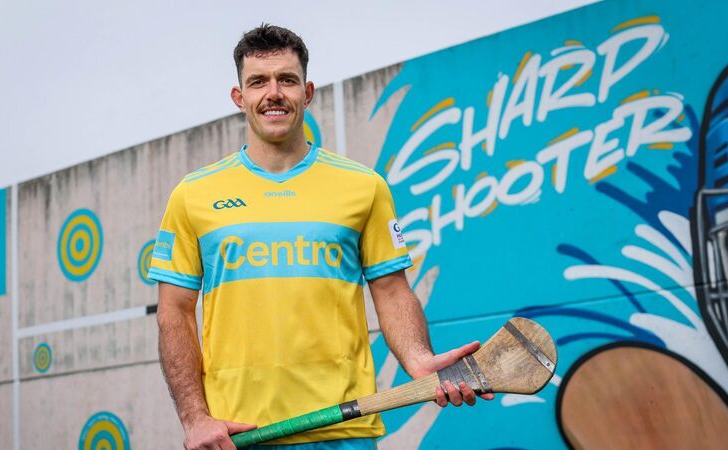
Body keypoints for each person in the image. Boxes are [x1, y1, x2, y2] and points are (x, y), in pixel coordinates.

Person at [149, 24, 492, 450]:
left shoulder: (364, 186)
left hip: (345, 428)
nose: (273, 93)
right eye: (258, 82)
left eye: (287, 80)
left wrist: (419, 358)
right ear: (239, 97)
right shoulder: (193, 195)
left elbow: (391, 290)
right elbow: (175, 312)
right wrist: (194, 418)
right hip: (239, 434)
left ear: (307, 92)